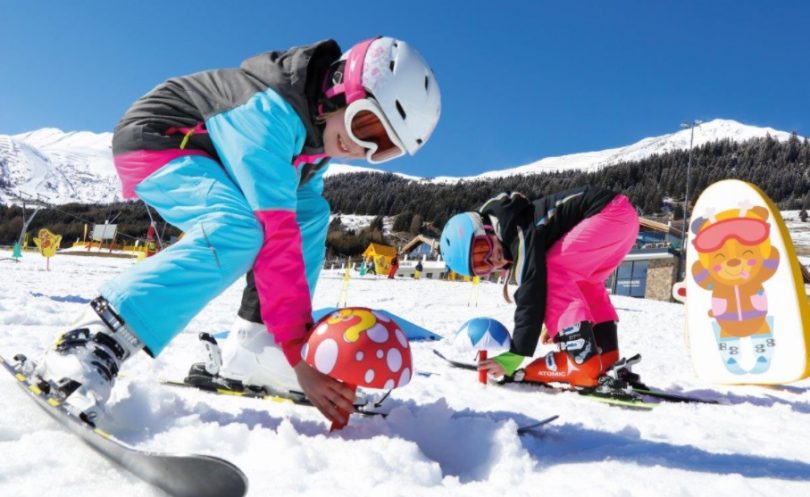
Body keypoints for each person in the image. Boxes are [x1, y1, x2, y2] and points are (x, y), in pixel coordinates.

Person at [36, 37, 441, 426]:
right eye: (366, 125)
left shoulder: (313, 148)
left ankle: (256, 346)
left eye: (384, 147)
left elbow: (294, 228)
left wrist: (288, 343)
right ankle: (93, 338)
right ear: (339, 86)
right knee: (240, 230)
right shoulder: (271, 113)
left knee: (312, 212)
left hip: (210, 155)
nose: (363, 149)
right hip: (162, 139)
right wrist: (300, 356)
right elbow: (275, 237)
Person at [440, 187, 639, 387]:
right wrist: (561, 325)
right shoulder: (517, 224)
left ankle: (581, 361)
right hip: (623, 219)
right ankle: (606, 355)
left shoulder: (514, 228)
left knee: (550, 267)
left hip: (606, 215)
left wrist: (515, 355)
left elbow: (532, 290)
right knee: (584, 282)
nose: (492, 259)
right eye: (481, 265)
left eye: (481, 248)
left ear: (485, 227)